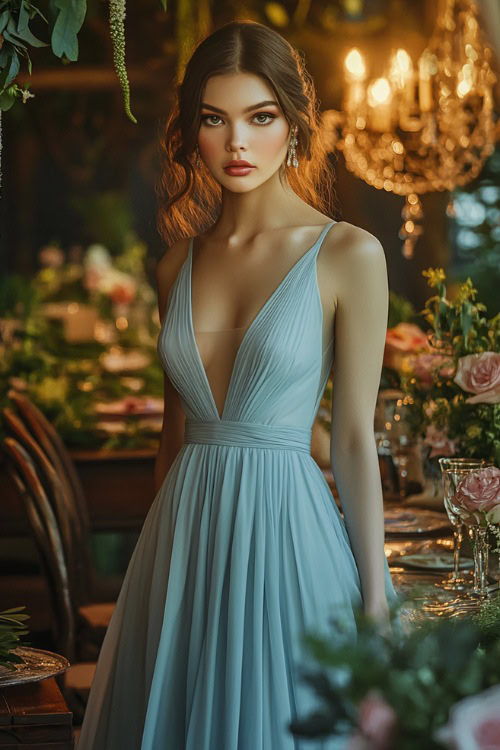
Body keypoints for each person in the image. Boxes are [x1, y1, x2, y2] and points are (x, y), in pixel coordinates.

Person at [77, 19, 398, 750]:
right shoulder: (173, 266)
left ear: (294, 123)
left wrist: (375, 600)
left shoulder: (349, 253)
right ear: (190, 131)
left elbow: (352, 439)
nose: (236, 144)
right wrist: (154, 583)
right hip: (183, 540)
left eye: (260, 118)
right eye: (214, 120)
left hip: (288, 538)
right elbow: (172, 435)